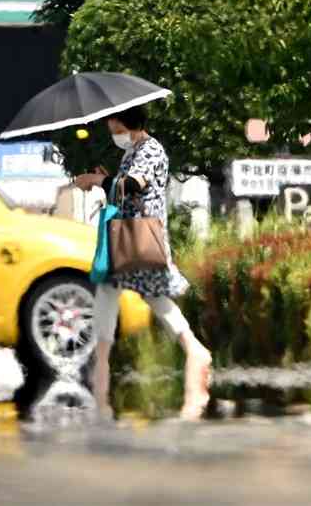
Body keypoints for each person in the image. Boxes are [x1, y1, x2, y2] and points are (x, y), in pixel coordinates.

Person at [74, 106, 212, 421]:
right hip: (126, 235)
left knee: (146, 293)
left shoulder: (150, 149)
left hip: (140, 236)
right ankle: (103, 363)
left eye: (114, 127)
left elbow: (136, 185)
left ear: (129, 124)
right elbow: (124, 188)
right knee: (112, 288)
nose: (113, 134)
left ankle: (192, 347)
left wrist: (99, 179)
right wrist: (105, 179)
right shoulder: (135, 149)